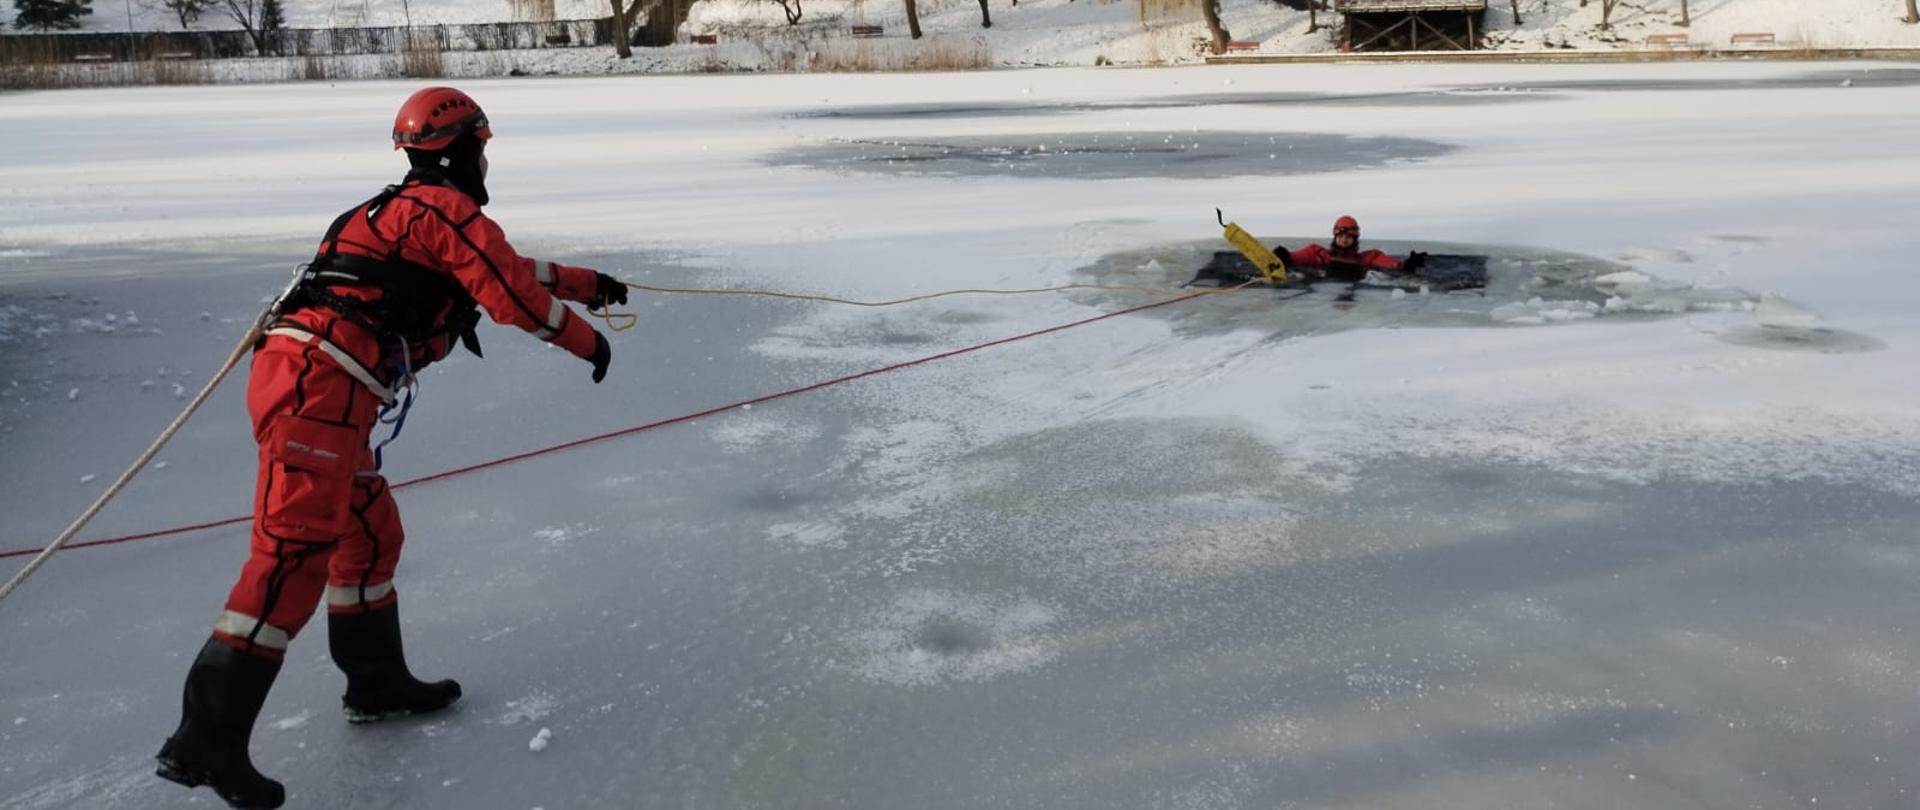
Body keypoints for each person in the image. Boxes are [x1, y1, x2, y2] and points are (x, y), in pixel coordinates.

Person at [155, 87, 629, 810]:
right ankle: (206, 739)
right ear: (458, 147)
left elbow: (503, 265)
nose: (485, 155)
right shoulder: (444, 211)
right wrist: (584, 339)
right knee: (289, 558)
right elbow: (508, 294)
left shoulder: (409, 213)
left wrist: (590, 284)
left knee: (370, 534)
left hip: (323, 388)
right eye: (482, 141)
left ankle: (373, 680)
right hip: (317, 389)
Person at [1278, 215, 1426, 280]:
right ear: (1335, 236)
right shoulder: (1317, 253)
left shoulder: (1368, 257)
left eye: (1348, 237)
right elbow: (1295, 257)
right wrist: (1283, 256)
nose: (1344, 240)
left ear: (1354, 239)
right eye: (1340, 236)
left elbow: (1393, 264)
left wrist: (1407, 264)